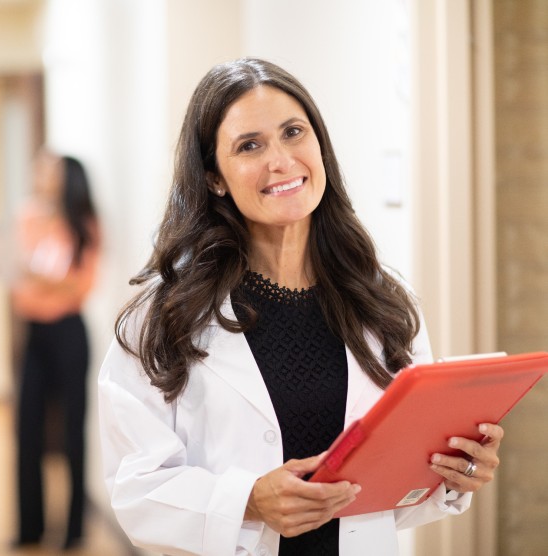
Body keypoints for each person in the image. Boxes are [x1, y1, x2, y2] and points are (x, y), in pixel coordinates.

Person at [97, 58, 504, 556]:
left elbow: (392, 495)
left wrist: (452, 475)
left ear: (320, 147)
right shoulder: (163, 316)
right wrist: (247, 500)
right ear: (214, 179)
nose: (282, 161)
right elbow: (136, 490)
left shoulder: (382, 302)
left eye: (294, 132)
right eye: (250, 146)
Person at [9, 151, 100, 550]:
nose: (38, 175)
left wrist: (39, 279)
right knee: (26, 430)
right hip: (34, 333)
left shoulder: (83, 225)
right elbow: (18, 280)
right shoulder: (26, 217)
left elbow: (81, 286)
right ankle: (30, 529)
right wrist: (31, 278)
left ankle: (74, 530)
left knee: (71, 432)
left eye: (46, 170)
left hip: (69, 333)